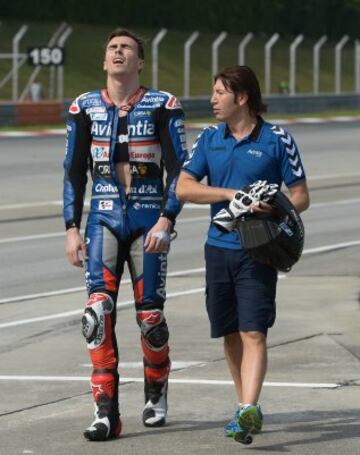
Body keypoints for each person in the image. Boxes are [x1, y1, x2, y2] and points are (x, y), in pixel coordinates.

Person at [63, 28, 187, 441]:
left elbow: (180, 172)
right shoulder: (83, 107)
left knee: (150, 318)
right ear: (104, 61)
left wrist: (167, 220)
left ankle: (156, 389)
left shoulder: (163, 105)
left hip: (149, 218)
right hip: (102, 218)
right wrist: (70, 229)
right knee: (96, 314)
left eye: (126, 49)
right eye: (112, 48)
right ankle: (105, 412)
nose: (118, 53)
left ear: (140, 62)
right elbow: (72, 172)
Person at [176, 65, 309, 444]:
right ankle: (242, 406)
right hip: (217, 249)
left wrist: (274, 206)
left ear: (242, 97)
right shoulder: (209, 138)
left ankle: (249, 406)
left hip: (258, 250)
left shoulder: (276, 139)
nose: (213, 99)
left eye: (220, 92)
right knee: (230, 332)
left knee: (254, 331)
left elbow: (301, 194)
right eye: (214, 91)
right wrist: (231, 195)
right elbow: (184, 188)